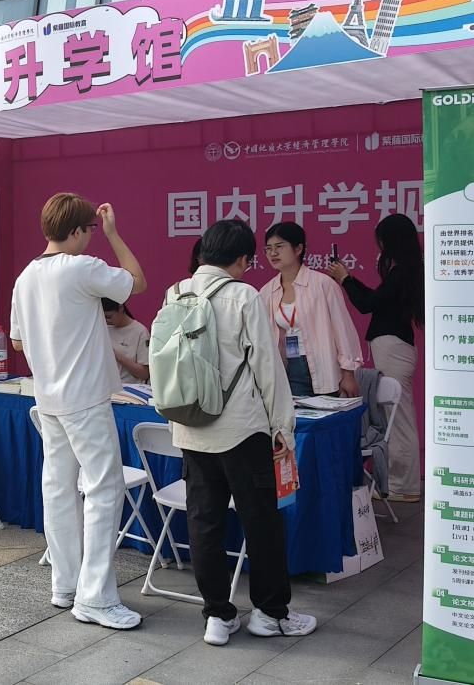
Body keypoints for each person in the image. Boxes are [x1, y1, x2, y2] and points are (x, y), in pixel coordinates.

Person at [169, 219, 316, 646]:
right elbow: (267, 366)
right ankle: (270, 614)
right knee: (261, 522)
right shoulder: (244, 296)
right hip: (241, 430)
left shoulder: (175, 293)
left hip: (190, 428)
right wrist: (282, 425)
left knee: (204, 523)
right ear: (240, 259)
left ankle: (217, 615)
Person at [10, 193, 146, 631]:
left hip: (48, 397)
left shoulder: (25, 277)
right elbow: (137, 282)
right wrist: (114, 233)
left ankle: (65, 584)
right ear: (75, 231)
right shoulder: (81, 268)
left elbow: (17, 342)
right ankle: (96, 597)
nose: (92, 237)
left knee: (58, 488)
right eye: (88, 230)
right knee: (105, 489)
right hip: (84, 398)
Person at [326, 213, 424, 502]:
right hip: (394, 347)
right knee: (397, 415)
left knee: (399, 417)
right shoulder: (405, 271)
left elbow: (367, 304)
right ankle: (398, 482)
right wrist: (348, 279)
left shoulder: (402, 272)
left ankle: (403, 485)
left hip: (394, 348)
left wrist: (345, 279)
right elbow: (374, 301)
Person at [260, 222, 362, 398]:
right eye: (268, 249)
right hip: (288, 368)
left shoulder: (322, 284)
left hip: (323, 366)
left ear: (298, 249)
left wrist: (348, 373)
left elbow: (342, 330)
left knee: (325, 414)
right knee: (298, 415)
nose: (273, 253)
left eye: (279, 247)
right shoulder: (267, 291)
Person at [101, 298, 149, 384]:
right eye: (102, 317)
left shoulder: (140, 332)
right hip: (104, 386)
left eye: (109, 317)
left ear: (121, 308)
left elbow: (144, 374)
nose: (106, 321)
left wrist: (117, 355)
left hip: (128, 388)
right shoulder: (102, 328)